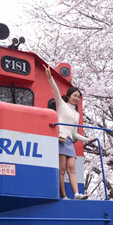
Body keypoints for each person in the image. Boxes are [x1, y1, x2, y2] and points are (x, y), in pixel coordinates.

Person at [44, 65, 95, 200]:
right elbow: (55, 90)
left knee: (72, 169)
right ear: (68, 96)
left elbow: (74, 134)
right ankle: (64, 196)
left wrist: (86, 139)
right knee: (61, 170)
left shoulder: (76, 114)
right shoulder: (61, 105)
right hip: (60, 138)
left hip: (68, 141)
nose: (76, 98)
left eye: (78, 96)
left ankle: (76, 193)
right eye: (74, 95)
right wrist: (50, 77)